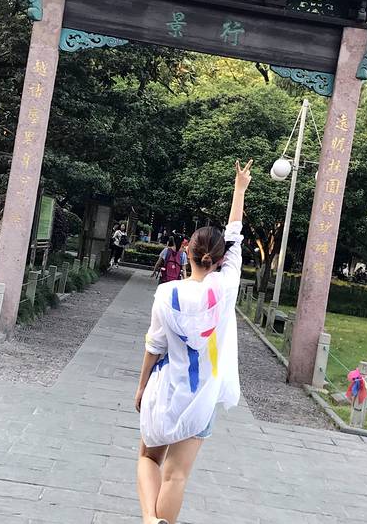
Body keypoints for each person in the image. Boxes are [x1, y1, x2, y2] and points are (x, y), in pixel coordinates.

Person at [135, 160, 252, 524]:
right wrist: (239, 190)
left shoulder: (167, 294)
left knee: (148, 458)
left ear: (187, 253)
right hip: (203, 397)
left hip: (166, 389)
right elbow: (234, 236)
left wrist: (140, 387)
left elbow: (154, 347)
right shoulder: (226, 288)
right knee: (177, 475)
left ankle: (150, 520)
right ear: (220, 260)